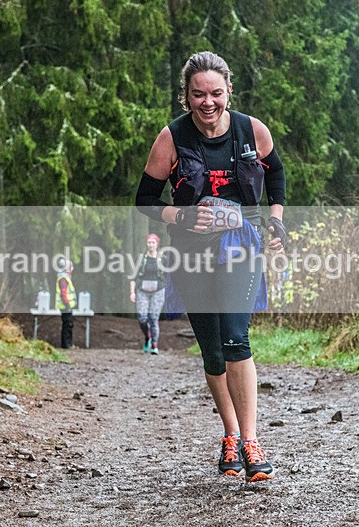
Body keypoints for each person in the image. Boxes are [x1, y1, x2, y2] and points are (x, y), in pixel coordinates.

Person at [135, 51, 287, 483]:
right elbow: (144, 200)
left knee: (237, 338)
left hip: (240, 245)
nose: (208, 102)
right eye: (198, 94)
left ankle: (252, 443)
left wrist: (275, 219)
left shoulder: (251, 129)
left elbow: (275, 175)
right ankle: (230, 434)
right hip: (191, 252)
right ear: (186, 95)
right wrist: (178, 215)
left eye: (216, 93)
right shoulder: (171, 139)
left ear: (228, 92)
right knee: (213, 348)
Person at [129, 233, 166, 355]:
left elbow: (169, 277)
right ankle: (147, 336)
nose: (150, 245)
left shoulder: (162, 259)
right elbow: (133, 277)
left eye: (153, 242)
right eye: (149, 242)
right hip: (142, 291)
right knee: (142, 317)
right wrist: (132, 292)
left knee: (153, 318)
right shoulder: (141, 260)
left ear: (157, 244)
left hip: (158, 291)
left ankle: (154, 344)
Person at [55, 257, 76, 349]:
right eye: (71, 267)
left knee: (68, 325)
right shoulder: (63, 279)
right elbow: (63, 293)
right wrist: (67, 304)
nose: (72, 269)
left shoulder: (64, 278)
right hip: (65, 306)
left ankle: (68, 344)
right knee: (67, 325)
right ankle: (66, 345)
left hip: (67, 306)